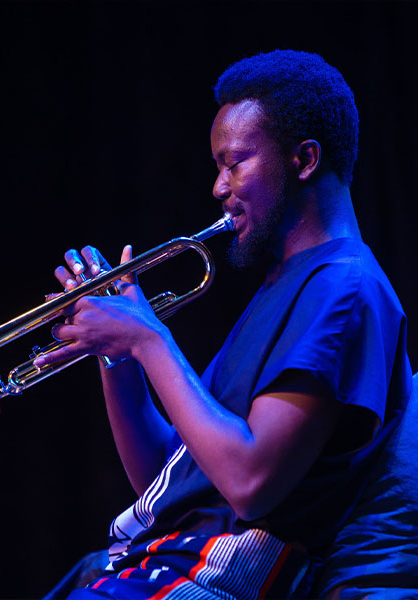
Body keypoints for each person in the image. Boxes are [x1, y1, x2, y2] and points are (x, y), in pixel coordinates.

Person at [38, 50, 412, 598]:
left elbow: (249, 483)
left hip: (218, 575)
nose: (218, 187)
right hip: (165, 557)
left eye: (234, 163)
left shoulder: (342, 287)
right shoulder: (289, 283)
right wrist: (117, 355)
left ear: (304, 160)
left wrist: (148, 338)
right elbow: (165, 483)